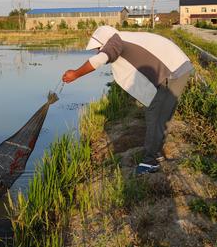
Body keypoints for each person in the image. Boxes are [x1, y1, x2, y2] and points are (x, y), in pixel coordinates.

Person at [62, 25, 194, 173]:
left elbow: (100, 59)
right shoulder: (123, 38)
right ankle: (155, 153)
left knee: (156, 115)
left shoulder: (116, 42)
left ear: (105, 42)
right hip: (175, 67)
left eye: (99, 47)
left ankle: (149, 162)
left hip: (174, 71)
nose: (98, 50)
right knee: (160, 114)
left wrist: (76, 74)